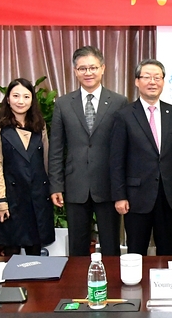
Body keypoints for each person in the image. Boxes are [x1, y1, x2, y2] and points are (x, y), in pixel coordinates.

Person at [48, 46, 128, 256]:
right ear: (75, 71)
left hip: (108, 185)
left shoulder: (119, 102)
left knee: (111, 245)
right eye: (82, 68)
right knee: (77, 246)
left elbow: (124, 148)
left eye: (93, 67)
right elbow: (56, 148)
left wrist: (122, 188)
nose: (88, 72)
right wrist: (56, 185)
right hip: (76, 185)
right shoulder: (63, 103)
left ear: (103, 69)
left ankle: (111, 277)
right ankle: (78, 279)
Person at [110, 59, 172, 256]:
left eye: (157, 77)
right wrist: (120, 196)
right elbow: (117, 160)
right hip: (136, 196)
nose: (152, 82)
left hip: (168, 195)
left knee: (167, 250)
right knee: (136, 250)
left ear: (163, 81)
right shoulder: (124, 115)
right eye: (147, 77)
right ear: (137, 81)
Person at [0, 78, 55, 256]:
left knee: (36, 254)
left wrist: (52, 190)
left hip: (37, 198)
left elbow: (46, 161)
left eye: (26, 96)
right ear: (8, 99)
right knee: (12, 253)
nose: (21, 101)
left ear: (32, 100)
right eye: (16, 96)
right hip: (11, 198)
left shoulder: (40, 126)